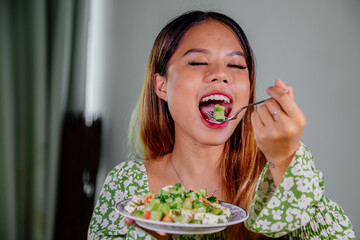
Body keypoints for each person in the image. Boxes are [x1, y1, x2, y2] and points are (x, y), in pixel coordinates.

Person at [88, 11, 355, 240]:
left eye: (237, 65)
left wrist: (286, 158)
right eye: (198, 62)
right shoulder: (127, 186)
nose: (221, 74)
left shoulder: (272, 181)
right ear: (162, 86)